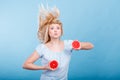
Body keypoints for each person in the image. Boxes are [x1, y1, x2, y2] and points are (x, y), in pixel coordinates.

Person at [23, 5, 94, 80]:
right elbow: (26, 64)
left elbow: (91, 45)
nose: (55, 30)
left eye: (58, 28)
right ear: (48, 32)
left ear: (61, 31)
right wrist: (44, 67)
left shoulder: (68, 44)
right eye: (52, 28)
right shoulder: (42, 48)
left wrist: (79, 45)